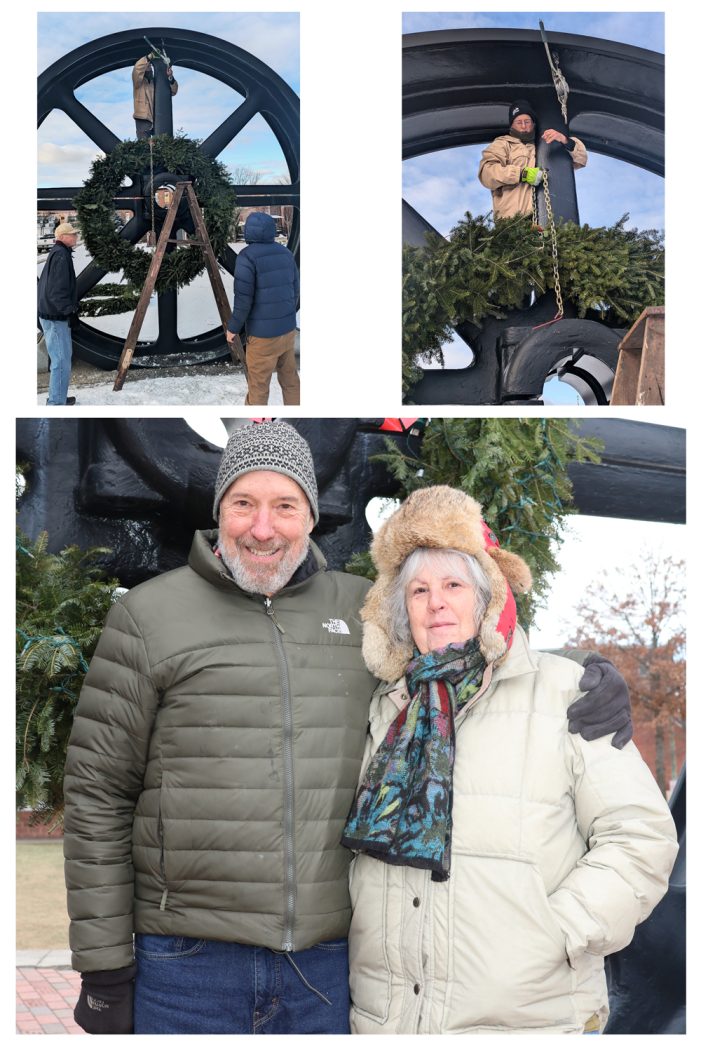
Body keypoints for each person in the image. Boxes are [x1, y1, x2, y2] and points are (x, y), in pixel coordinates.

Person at [64, 422, 633, 1036]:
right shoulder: (147, 616)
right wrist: (104, 970)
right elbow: (98, 792)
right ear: (218, 510)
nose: (263, 528)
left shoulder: (362, 612)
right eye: (243, 504)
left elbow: (464, 658)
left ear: (310, 516)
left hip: (330, 971)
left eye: (284, 506)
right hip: (186, 965)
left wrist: (587, 676)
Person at [342, 486, 679, 1035]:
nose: (436, 603)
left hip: (527, 1020)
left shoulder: (567, 693)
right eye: (419, 590)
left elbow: (641, 837)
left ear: (487, 595)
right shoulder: (386, 708)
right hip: (390, 1020)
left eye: (453, 585)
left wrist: (558, 931)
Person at [226, 213, 300, 406]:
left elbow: (243, 300)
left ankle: (254, 429)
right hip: (287, 331)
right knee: (291, 381)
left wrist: (233, 328)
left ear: (248, 231)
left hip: (262, 338)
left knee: (258, 387)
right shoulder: (285, 253)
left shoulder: (246, 257)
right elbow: (295, 289)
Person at [478, 98, 587, 219]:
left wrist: (565, 140)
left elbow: (581, 159)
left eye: (527, 121)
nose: (524, 126)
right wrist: (521, 174)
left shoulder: (546, 142)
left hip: (551, 219)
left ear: (533, 123)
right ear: (512, 125)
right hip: (513, 221)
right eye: (519, 122)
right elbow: (487, 173)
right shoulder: (502, 144)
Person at [37, 221, 79, 406]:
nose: (76, 236)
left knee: (61, 359)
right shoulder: (61, 256)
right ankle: (56, 404)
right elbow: (57, 290)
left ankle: (58, 397)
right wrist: (69, 311)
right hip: (55, 317)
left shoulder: (58, 253)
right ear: (62, 238)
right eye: (73, 234)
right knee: (61, 361)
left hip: (51, 314)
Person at [132, 54, 178, 139]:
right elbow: (137, 69)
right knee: (144, 143)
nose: (150, 67)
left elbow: (173, 91)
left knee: (162, 142)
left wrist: (170, 77)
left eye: (150, 65)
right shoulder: (138, 83)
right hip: (143, 117)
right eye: (148, 65)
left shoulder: (156, 83)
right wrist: (148, 57)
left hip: (157, 118)